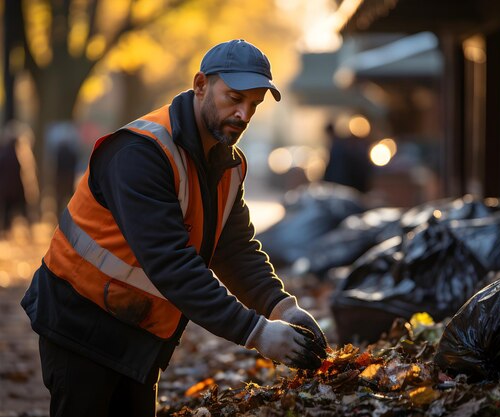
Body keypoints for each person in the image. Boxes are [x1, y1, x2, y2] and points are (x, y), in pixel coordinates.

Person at [21, 39, 328, 417]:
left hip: (137, 327)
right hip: (78, 319)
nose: (243, 114)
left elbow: (234, 249)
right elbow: (171, 264)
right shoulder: (140, 153)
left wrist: (282, 307)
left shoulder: (227, 163)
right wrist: (257, 333)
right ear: (200, 85)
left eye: (254, 104)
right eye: (234, 98)